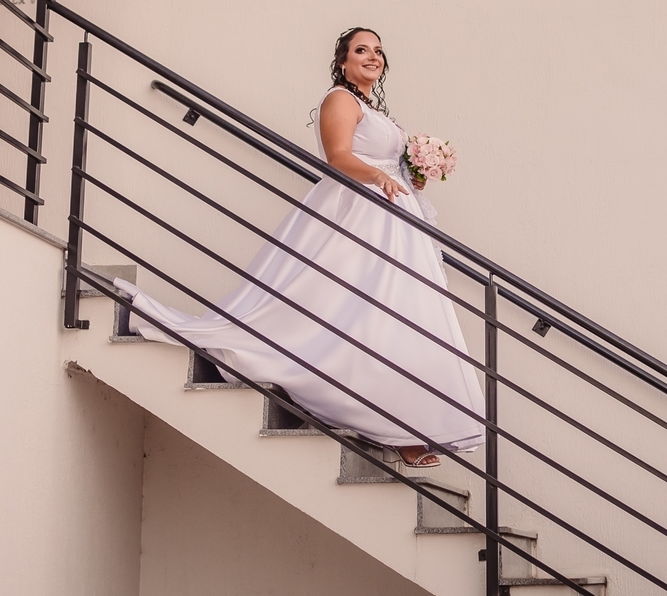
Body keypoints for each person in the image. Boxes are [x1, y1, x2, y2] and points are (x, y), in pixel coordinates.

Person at [116, 27, 485, 468]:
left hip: (393, 221)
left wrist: (416, 173)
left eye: (378, 51)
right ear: (343, 62)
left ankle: (404, 423)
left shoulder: (372, 108)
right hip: (358, 214)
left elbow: (387, 161)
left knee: (393, 316)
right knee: (353, 310)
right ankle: (386, 422)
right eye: (361, 50)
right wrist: (380, 176)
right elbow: (338, 156)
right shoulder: (339, 99)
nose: (372, 57)